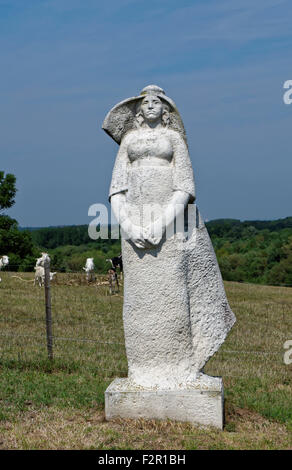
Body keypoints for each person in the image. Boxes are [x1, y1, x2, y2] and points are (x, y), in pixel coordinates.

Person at [103, 85, 235, 389]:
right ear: (138, 110)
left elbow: (185, 186)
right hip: (134, 228)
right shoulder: (129, 142)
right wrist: (130, 226)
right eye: (145, 102)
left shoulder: (174, 139)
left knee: (174, 292)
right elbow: (116, 190)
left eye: (157, 102)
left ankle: (178, 368)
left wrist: (162, 224)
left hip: (171, 226)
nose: (150, 105)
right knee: (139, 299)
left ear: (166, 110)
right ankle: (141, 370)